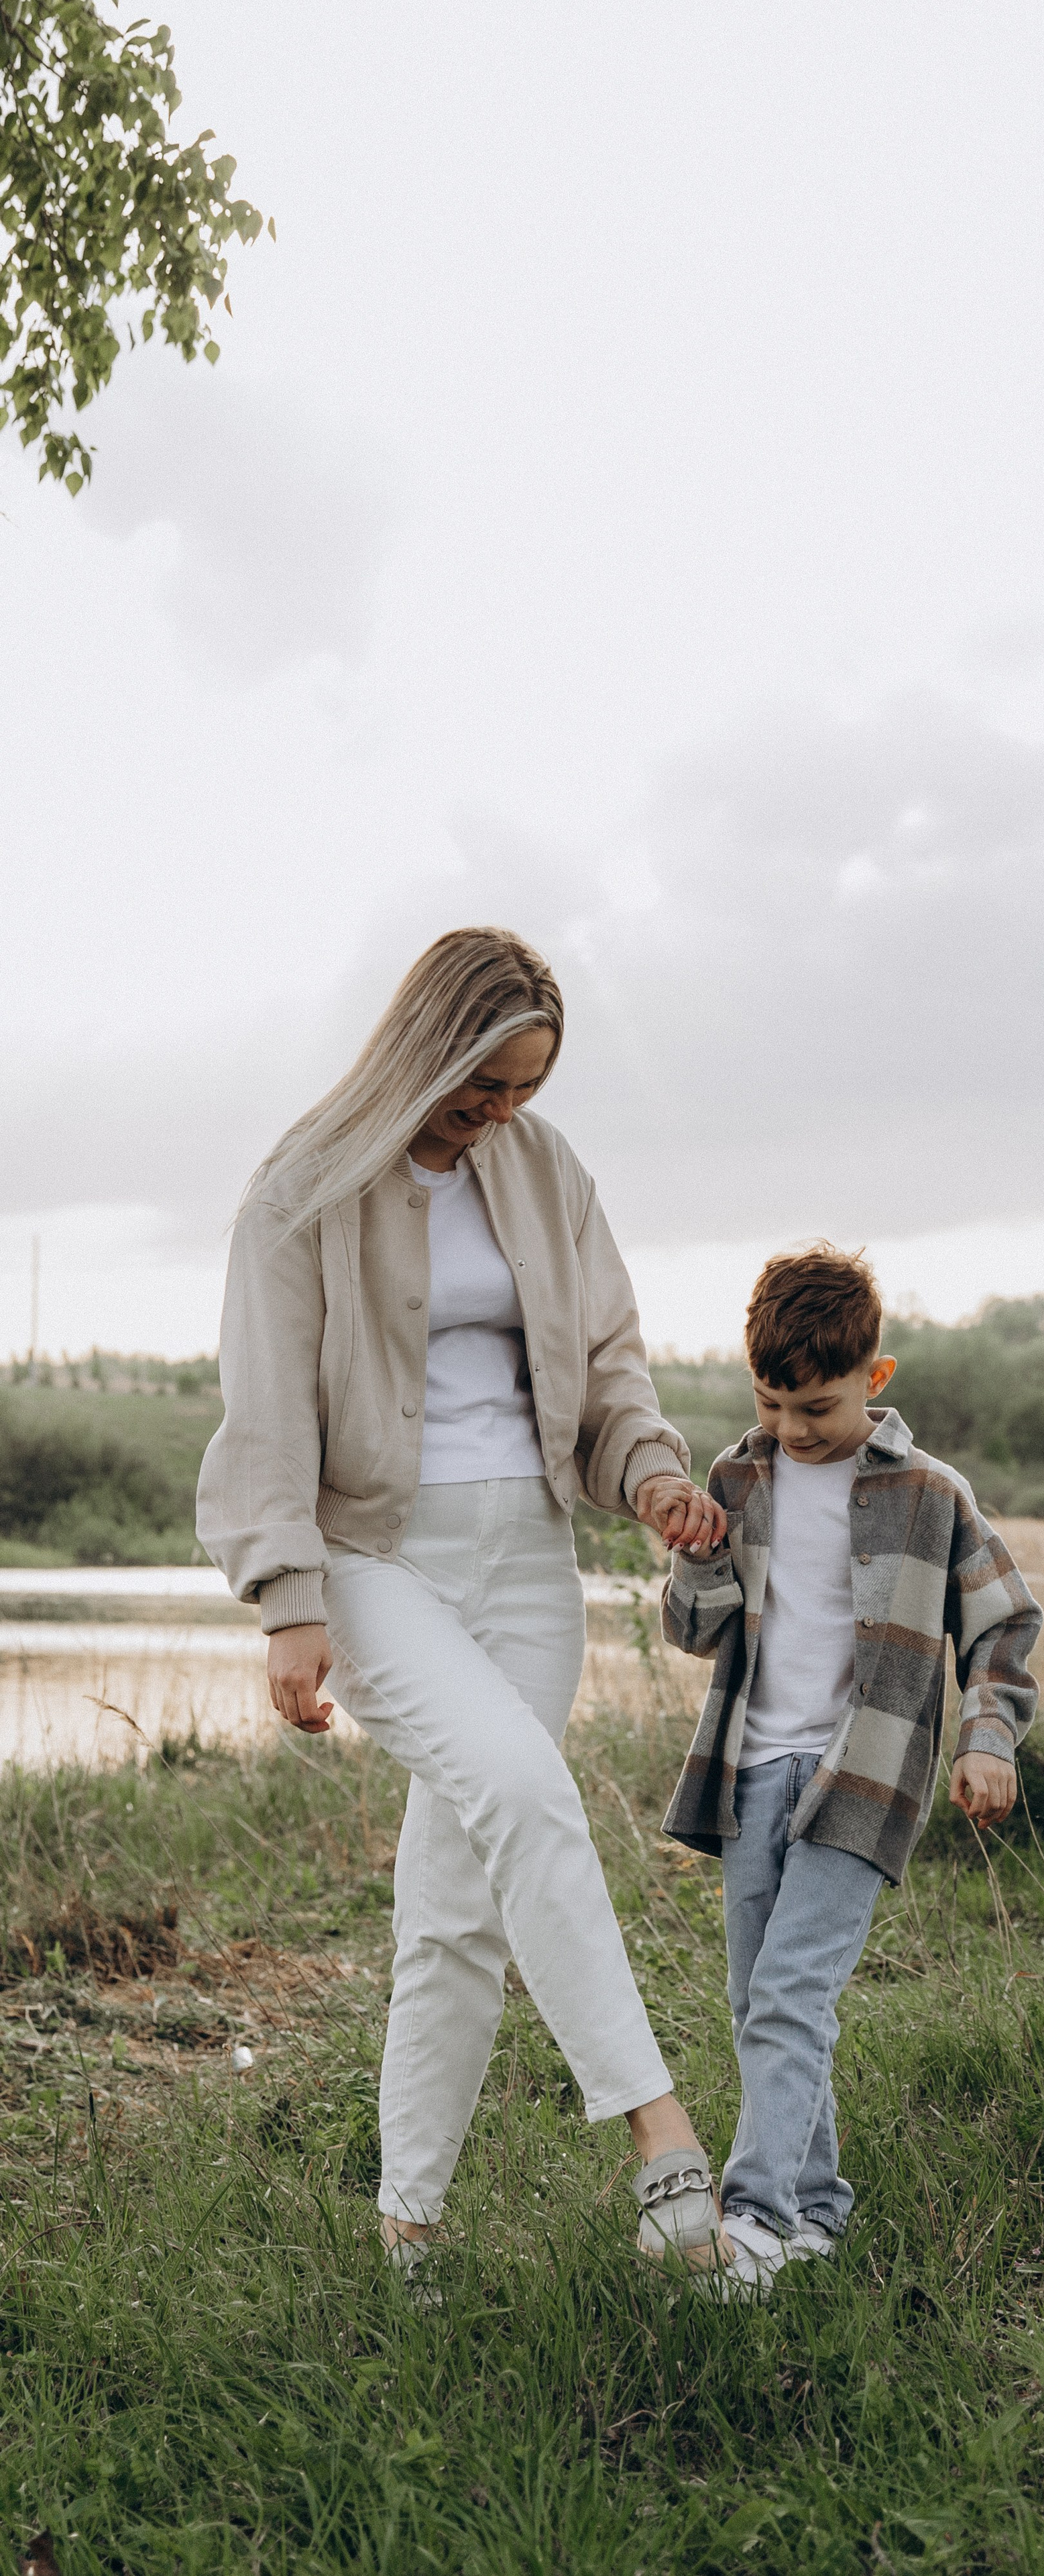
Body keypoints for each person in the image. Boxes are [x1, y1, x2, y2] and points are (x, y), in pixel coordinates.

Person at [196, 926, 732, 2290]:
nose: (497, 1117)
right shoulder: (302, 1188)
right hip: (375, 1556)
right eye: (481, 1086)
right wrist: (286, 1600)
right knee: (528, 1794)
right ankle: (659, 2136)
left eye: (523, 1094)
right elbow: (262, 1411)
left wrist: (655, 1478)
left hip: (527, 1565)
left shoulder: (544, 1173)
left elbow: (610, 1367)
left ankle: (409, 2234)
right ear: (425, 1046)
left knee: (456, 1912)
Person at [658, 1244, 1043, 2294]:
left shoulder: (930, 1492)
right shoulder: (737, 1478)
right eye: (773, 1403)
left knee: (789, 1992)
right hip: (750, 1771)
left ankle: (755, 2225)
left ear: (876, 1380)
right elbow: (694, 1633)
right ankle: (821, 2209)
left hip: (865, 1776)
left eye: (817, 1408)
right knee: (758, 2004)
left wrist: (988, 1738)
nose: (792, 1429)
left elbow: (1004, 1624)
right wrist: (695, 1554)